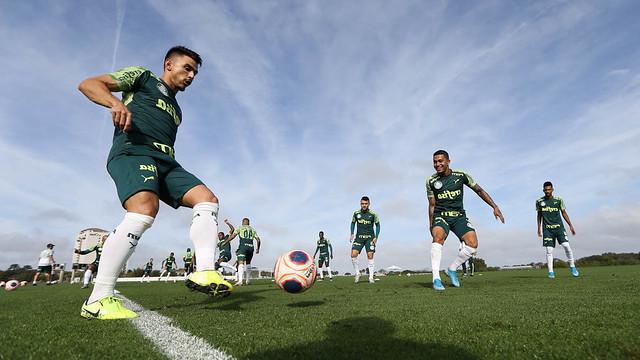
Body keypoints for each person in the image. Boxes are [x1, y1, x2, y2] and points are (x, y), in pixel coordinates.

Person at [77, 46, 232, 319]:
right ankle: (98, 298)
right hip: (133, 151)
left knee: (207, 200)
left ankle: (205, 270)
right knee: (144, 210)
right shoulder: (143, 78)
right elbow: (89, 84)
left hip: (167, 162)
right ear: (168, 64)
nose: (191, 75)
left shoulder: (177, 108)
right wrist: (115, 103)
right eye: (187, 68)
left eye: (195, 72)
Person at [427, 150, 504, 291]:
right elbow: (432, 204)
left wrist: (494, 206)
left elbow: (479, 190)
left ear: (448, 161)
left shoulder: (461, 175)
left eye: (440, 161)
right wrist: (431, 224)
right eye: (435, 162)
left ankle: (452, 269)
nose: (437, 164)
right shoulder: (431, 181)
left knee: (473, 245)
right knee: (438, 238)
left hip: (458, 216)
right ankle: (436, 279)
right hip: (441, 215)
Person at [536, 181, 579, 278]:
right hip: (547, 230)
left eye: (549, 189)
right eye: (546, 190)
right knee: (549, 250)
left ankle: (572, 266)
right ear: (543, 190)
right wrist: (538, 228)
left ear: (552, 189)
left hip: (559, 228)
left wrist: (570, 225)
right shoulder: (539, 201)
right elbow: (539, 215)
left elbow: (564, 213)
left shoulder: (559, 200)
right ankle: (551, 272)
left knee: (566, 246)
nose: (547, 191)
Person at [350, 196, 380, 284]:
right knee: (353, 254)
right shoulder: (356, 213)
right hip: (359, 238)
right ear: (360, 203)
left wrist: (376, 237)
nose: (364, 205)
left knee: (370, 255)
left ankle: (371, 277)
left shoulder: (373, 214)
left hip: (370, 238)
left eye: (366, 204)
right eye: (362, 203)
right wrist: (352, 233)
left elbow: (378, 225)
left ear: (369, 204)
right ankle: (357, 273)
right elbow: (352, 223)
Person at [223, 218, 261, 286]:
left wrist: (226, 241)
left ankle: (240, 281)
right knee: (248, 263)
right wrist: (258, 248)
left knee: (241, 263)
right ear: (248, 223)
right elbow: (258, 240)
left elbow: (233, 236)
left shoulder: (240, 227)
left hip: (243, 247)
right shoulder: (252, 229)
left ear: (243, 222)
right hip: (251, 247)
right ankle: (248, 280)